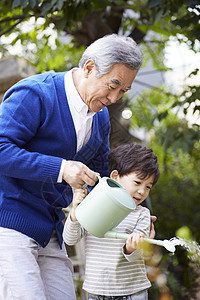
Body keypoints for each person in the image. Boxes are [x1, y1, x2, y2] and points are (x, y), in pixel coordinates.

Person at [0, 34, 143, 299]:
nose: (114, 98)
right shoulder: (36, 93)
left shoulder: (101, 120)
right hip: (9, 225)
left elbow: (99, 183)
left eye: (123, 91)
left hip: (51, 230)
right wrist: (61, 169)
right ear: (89, 68)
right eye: (113, 85)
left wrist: (132, 221)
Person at [63, 143, 160, 300]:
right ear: (115, 177)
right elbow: (70, 239)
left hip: (132, 292)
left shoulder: (142, 214)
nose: (142, 191)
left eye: (148, 187)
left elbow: (137, 255)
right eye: (137, 183)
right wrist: (75, 212)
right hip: (96, 292)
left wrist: (131, 248)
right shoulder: (94, 204)